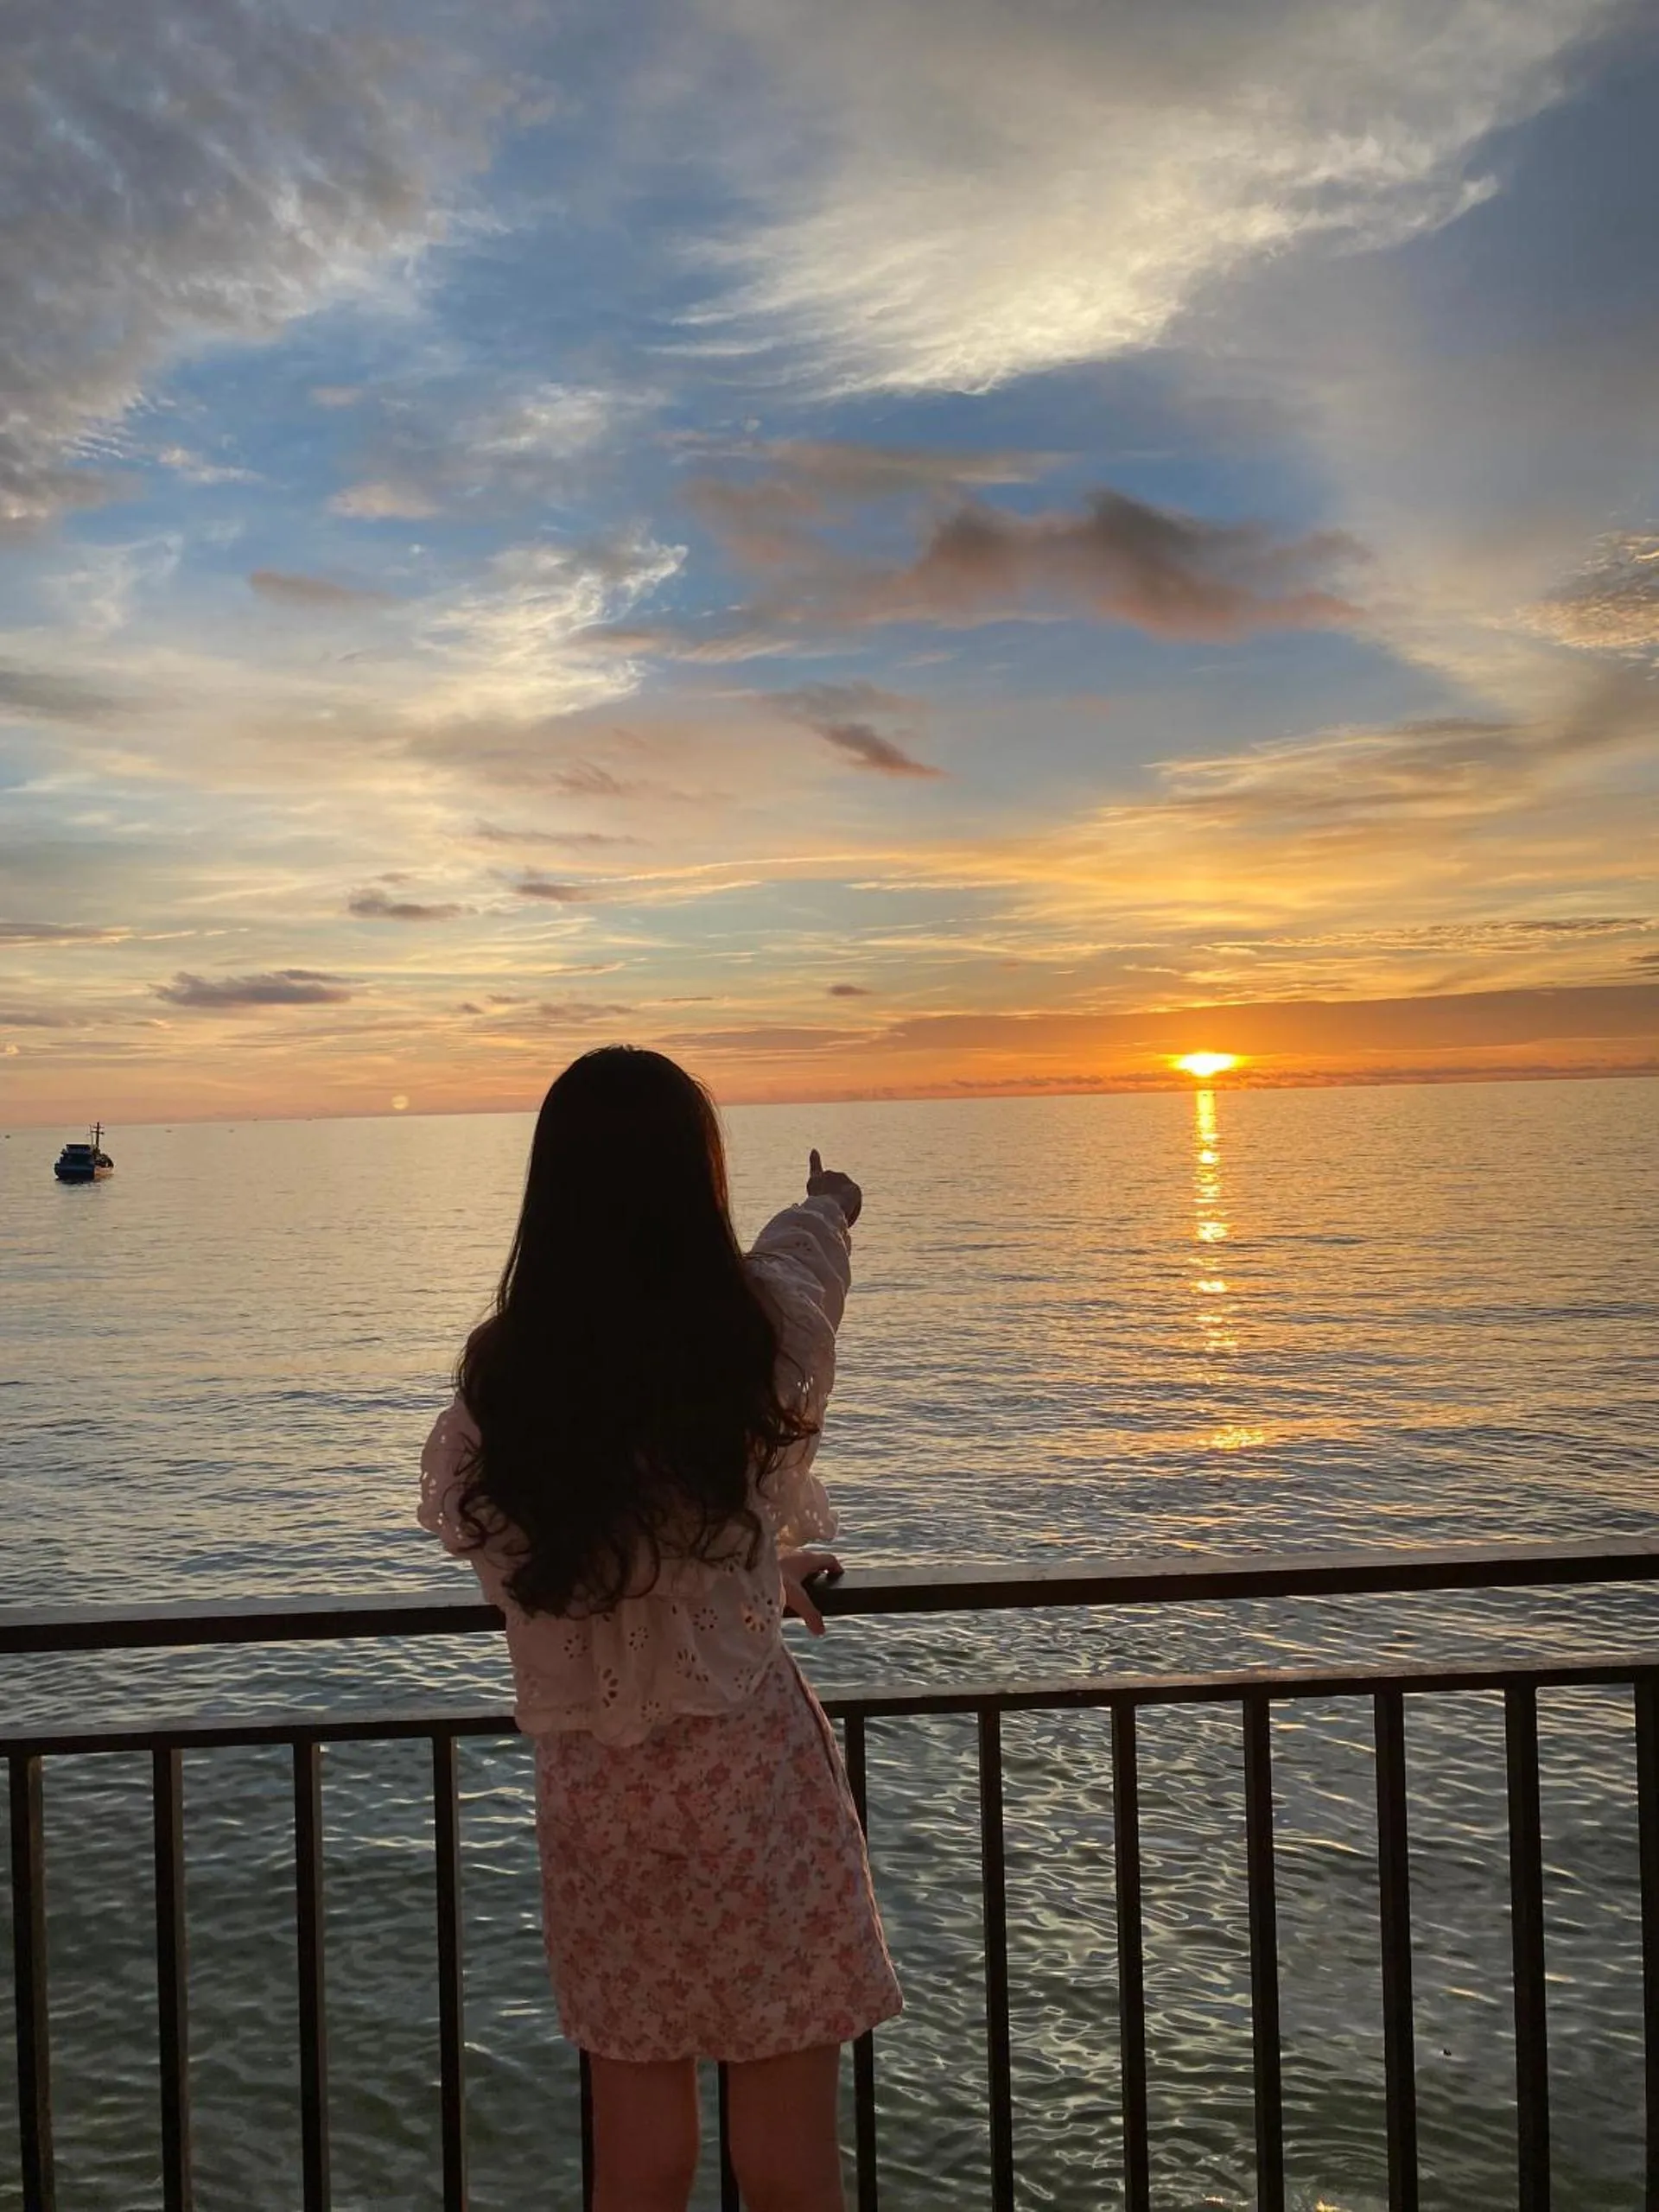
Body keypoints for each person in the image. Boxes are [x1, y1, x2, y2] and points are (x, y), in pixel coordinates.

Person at [417, 1045, 902, 2212]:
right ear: (697, 1187)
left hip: (602, 1804)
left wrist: (736, 1568)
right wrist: (829, 1200)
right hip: (753, 1787)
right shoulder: (748, 1349)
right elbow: (803, 1267)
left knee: (637, 2165)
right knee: (785, 2168)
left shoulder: (505, 1398)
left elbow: (557, 1572)